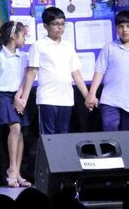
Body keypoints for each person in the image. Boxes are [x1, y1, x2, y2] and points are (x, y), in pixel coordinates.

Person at [19, 7, 89, 135]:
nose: (60, 27)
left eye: (62, 24)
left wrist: (87, 96)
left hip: (66, 98)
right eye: (55, 24)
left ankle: (63, 156)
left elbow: (76, 73)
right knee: (49, 135)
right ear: (45, 26)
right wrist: (24, 98)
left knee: (64, 133)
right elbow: (31, 73)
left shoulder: (68, 46)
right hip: (47, 98)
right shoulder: (39, 45)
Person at [0, 21, 30, 187]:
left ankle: (17, 172)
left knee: (21, 132)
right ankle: (11, 169)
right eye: (23, 35)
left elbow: (25, 79)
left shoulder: (23, 56)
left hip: (17, 95)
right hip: (2, 96)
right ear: (13, 36)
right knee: (15, 128)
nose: (25, 38)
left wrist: (19, 95)